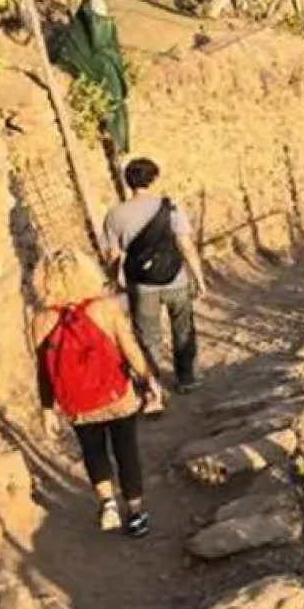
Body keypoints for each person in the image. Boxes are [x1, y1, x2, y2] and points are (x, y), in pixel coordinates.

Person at [32, 250, 162, 536]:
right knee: (126, 450)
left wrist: (47, 409)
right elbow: (129, 349)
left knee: (93, 451)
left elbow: (44, 370)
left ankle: (108, 504)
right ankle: (136, 513)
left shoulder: (42, 320)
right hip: (117, 395)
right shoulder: (105, 308)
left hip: (77, 403)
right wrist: (148, 378)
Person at [102, 157, 207, 393]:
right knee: (183, 328)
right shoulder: (170, 208)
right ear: (154, 179)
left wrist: (114, 282)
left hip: (141, 284)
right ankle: (186, 378)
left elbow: (113, 254)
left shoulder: (115, 215)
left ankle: (153, 384)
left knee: (147, 336)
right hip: (175, 278)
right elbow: (185, 244)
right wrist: (198, 277)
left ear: (128, 182)